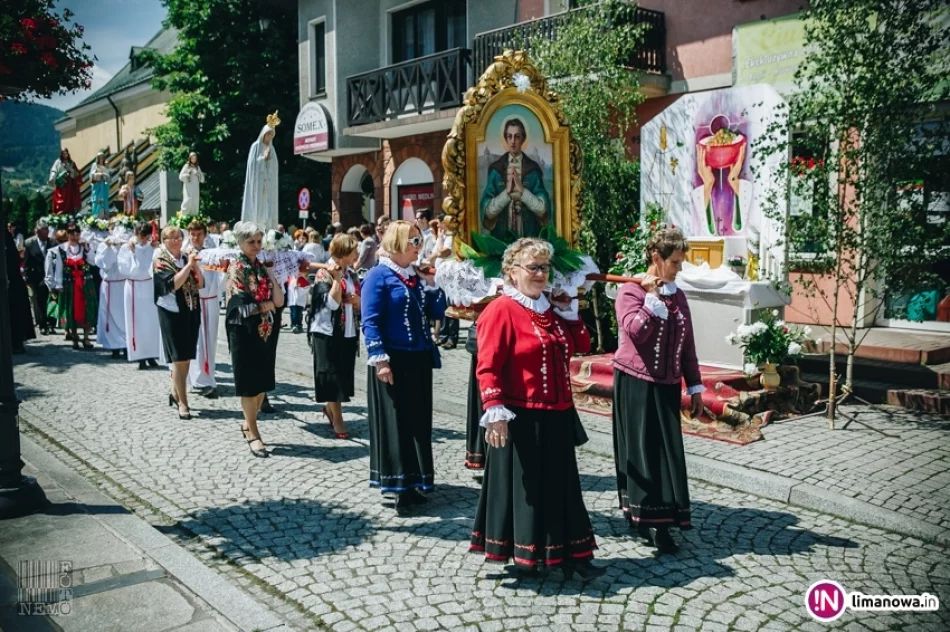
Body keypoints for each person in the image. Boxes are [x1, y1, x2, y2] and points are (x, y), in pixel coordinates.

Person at [469, 238, 602, 578]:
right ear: (512, 273)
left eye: (545, 267)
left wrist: (570, 313)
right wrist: (494, 409)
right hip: (522, 414)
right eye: (534, 267)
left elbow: (582, 345)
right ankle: (529, 553)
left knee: (562, 487)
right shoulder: (501, 310)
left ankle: (571, 554)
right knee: (528, 490)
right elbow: (487, 365)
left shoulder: (549, 308)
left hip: (557, 413)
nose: (542, 274)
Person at [612, 228, 704, 553]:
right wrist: (651, 300)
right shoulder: (630, 292)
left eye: (680, 262)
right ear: (656, 258)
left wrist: (695, 387)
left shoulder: (678, 295)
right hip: (636, 384)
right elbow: (636, 332)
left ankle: (664, 520)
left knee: (667, 456)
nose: (679, 268)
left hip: (667, 386)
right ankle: (646, 520)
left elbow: (687, 345)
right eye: (675, 262)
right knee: (641, 452)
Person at [361, 220, 445, 511]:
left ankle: (416, 481)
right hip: (393, 359)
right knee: (397, 422)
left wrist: (431, 285)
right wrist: (380, 359)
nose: (418, 247)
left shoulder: (415, 276)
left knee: (418, 421)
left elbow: (436, 312)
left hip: (419, 358)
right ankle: (397, 486)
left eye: (419, 240)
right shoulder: (378, 276)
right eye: (413, 241)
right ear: (396, 244)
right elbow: (369, 321)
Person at [226, 221, 285, 458]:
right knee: (249, 383)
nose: (256, 246)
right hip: (244, 332)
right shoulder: (236, 266)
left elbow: (280, 301)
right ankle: (253, 432)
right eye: (251, 242)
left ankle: (248, 423)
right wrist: (267, 305)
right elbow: (239, 307)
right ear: (240, 242)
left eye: (259, 241)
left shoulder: (261, 266)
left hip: (266, 331)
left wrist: (271, 275)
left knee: (263, 381)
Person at [309, 234, 361, 439]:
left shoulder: (351, 273)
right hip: (327, 331)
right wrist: (337, 280)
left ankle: (330, 411)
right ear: (342, 254)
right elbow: (330, 304)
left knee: (342, 373)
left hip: (347, 330)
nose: (357, 254)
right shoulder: (325, 273)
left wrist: (356, 300)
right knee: (331, 374)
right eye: (353, 251)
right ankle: (338, 419)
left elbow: (355, 298)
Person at [154, 225, 204, 420]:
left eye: (178, 237)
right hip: (172, 311)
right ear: (164, 241)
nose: (175, 240)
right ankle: (183, 402)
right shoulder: (161, 259)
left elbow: (200, 283)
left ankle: (175, 393)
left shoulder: (186, 256)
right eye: (171, 238)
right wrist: (189, 265)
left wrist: (195, 265)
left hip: (191, 309)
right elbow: (173, 284)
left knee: (187, 356)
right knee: (178, 357)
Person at [479, 118, 552, 238]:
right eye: (509, 136)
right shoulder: (496, 170)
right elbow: (487, 212)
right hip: (501, 240)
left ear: (523, 139)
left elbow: (543, 209)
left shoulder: (532, 170)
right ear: (506, 138)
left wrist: (522, 191)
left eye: (517, 137)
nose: (513, 141)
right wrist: (507, 193)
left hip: (529, 239)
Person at [184, 221, 224, 398]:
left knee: (209, 341)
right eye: (192, 234)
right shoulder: (185, 252)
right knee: (194, 341)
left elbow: (220, 276)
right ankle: (194, 379)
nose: (195, 237)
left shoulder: (212, 252)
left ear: (205, 235)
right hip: (191, 301)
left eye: (198, 234)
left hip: (210, 300)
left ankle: (208, 378)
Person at [44, 223, 96, 350]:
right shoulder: (61, 249)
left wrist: (88, 251)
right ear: (67, 234)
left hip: (85, 282)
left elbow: (94, 262)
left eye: (77, 233)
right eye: (72, 233)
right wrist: (58, 284)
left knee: (87, 308)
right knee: (70, 309)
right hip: (69, 283)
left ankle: (86, 337)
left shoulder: (85, 247)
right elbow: (59, 268)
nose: (75, 236)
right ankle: (74, 337)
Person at [119, 222, 161, 369]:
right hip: (134, 285)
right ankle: (139, 356)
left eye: (146, 236)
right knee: (136, 322)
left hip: (149, 285)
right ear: (135, 234)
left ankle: (152, 354)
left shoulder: (154, 247)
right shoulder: (126, 247)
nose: (143, 240)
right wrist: (132, 253)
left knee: (151, 322)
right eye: (141, 236)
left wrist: (158, 248)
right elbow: (123, 268)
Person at [94, 225, 131, 358]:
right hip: (109, 285)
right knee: (110, 316)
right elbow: (103, 263)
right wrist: (110, 248)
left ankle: (127, 346)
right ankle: (113, 347)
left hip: (123, 284)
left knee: (125, 315)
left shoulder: (127, 245)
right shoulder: (103, 245)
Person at [241, 113, 280, 230]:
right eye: (268, 134)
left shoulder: (271, 149)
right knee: (257, 206)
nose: (269, 137)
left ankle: (268, 229)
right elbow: (252, 166)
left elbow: (275, 166)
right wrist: (263, 159)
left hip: (268, 184)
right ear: (263, 134)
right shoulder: (255, 147)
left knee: (267, 207)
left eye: (271, 135)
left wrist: (269, 161)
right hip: (257, 184)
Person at [23, 220, 57, 335]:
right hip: (38, 277)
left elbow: (58, 261)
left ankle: (52, 324)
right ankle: (43, 325)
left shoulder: (53, 243)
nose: (46, 233)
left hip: (51, 277)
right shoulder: (29, 243)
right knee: (41, 302)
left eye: (47, 230)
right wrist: (28, 279)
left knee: (53, 301)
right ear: (37, 232)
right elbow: (27, 263)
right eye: (43, 231)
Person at [5, 229, 35, 353]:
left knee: (16, 312)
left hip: (13, 281)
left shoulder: (7, 240)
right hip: (11, 280)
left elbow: (13, 261)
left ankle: (17, 342)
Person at [48, 149, 81, 214]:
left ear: (68, 154)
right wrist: (52, 178)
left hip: (69, 185)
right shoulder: (58, 162)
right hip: (61, 185)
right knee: (60, 200)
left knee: (69, 200)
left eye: (66, 153)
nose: (65, 155)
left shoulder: (71, 163)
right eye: (63, 153)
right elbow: (54, 171)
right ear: (61, 154)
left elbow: (77, 174)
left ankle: (70, 212)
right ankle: (60, 213)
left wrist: (71, 170)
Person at [287, 260, 309, 334]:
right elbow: (289, 288)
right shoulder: (291, 278)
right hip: (292, 300)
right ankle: (293, 324)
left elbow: (307, 288)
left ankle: (299, 325)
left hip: (299, 301)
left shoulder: (302, 280)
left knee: (299, 313)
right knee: (293, 313)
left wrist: (300, 287)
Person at [90, 152, 112, 218]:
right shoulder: (95, 165)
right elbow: (92, 177)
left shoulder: (105, 167)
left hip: (104, 187)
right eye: (100, 158)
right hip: (97, 187)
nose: (101, 159)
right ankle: (96, 216)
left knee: (104, 201)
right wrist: (101, 175)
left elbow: (108, 178)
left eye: (102, 157)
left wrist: (106, 177)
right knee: (97, 201)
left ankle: (104, 217)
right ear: (98, 158)